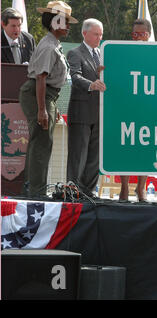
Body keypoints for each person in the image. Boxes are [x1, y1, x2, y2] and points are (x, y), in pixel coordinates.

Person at [19, 1, 78, 197]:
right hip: (39, 94)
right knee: (42, 143)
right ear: (55, 23)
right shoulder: (48, 46)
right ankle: (36, 192)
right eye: (65, 22)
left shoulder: (54, 44)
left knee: (41, 142)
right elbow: (41, 78)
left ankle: (32, 188)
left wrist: (49, 104)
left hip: (47, 95)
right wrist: (42, 108)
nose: (68, 26)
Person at [66, 18, 106, 199]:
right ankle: (72, 191)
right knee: (78, 155)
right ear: (84, 33)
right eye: (96, 34)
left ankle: (88, 191)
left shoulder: (103, 54)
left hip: (99, 114)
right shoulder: (75, 53)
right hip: (81, 114)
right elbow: (75, 77)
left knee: (94, 157)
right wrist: (92, 85)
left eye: (101, 35)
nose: (99, 38)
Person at [118, 18, 151, 202]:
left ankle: (141, 188)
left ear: (148, 35)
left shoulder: (156, 51)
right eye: (134, 34)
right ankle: (124, 188)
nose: (137, 38)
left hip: (147, 108)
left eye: (141, 34)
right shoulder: (123, 51)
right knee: (125, 147)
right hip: (127, 106)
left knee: (144, 147)